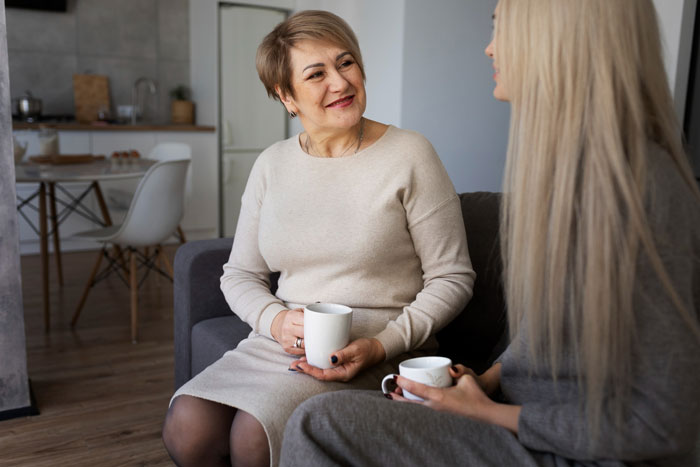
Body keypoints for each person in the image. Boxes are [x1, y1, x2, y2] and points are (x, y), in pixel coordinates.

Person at [279, 1, 700, 465]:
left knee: (317, 423)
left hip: (567, 446)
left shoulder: (647, 194)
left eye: (503, 29)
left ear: (558, 43)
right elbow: (549, 339)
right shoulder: (567, 177)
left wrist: (489, 414)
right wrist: (485, 381)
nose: (489, 48)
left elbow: (665, 425)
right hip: (516, 411)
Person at [161, 10, 475, 467]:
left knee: (253, 436)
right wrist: (274, 321)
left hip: (377, 348)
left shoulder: (410, 154)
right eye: (316, 74)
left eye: (346, 63)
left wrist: (381, 345)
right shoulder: (272, 164)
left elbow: (453, 277)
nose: (340, 82)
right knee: (186, 425)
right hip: (280, 344)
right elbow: (240, 274)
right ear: (286, 96)